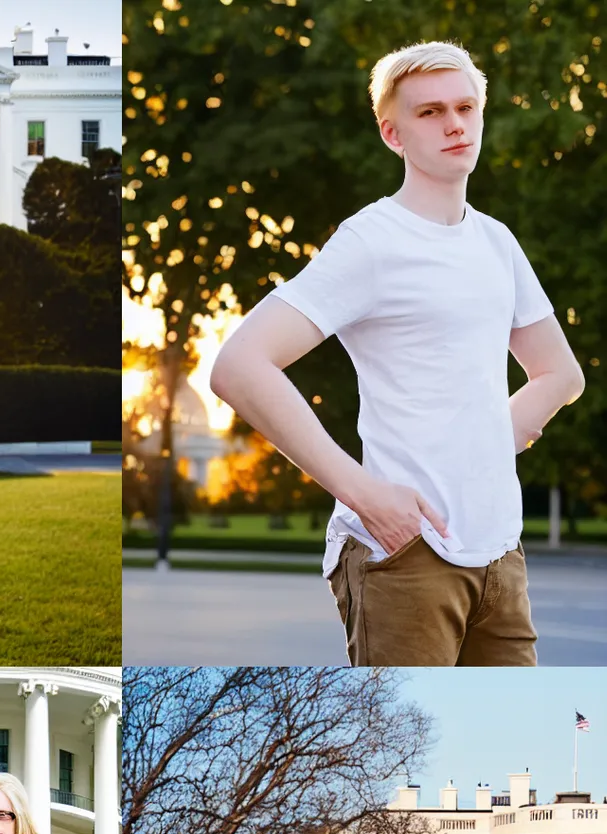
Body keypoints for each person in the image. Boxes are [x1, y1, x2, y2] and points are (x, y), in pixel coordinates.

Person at [208, 40, 586, 666]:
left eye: (466, 107)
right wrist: (363, 493)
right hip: (407, 558)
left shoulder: (498, 242)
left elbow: (560, 373)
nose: (455, 123)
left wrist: (492, 435)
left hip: (500, 556)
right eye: (430, 112)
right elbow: (239, 367)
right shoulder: (371, 242)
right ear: (393, 134)